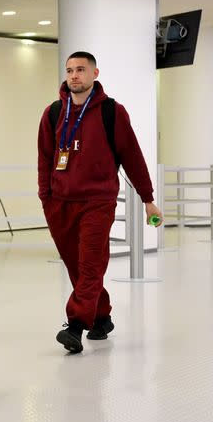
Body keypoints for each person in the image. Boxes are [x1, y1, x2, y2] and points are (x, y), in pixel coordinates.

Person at [37, 51, 163, 353]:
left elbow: (132, 157)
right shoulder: (53, 112)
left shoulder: (112, 112)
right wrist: (46, 195)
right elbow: (44, 158)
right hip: (60, 202)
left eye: (81, 69)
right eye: (69, 70)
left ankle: (76, 325)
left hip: (98, 201)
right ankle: (101, 316)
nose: (74, 75)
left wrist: (148, 199)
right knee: (77, 267)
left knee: (91, 263)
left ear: (95, 73)